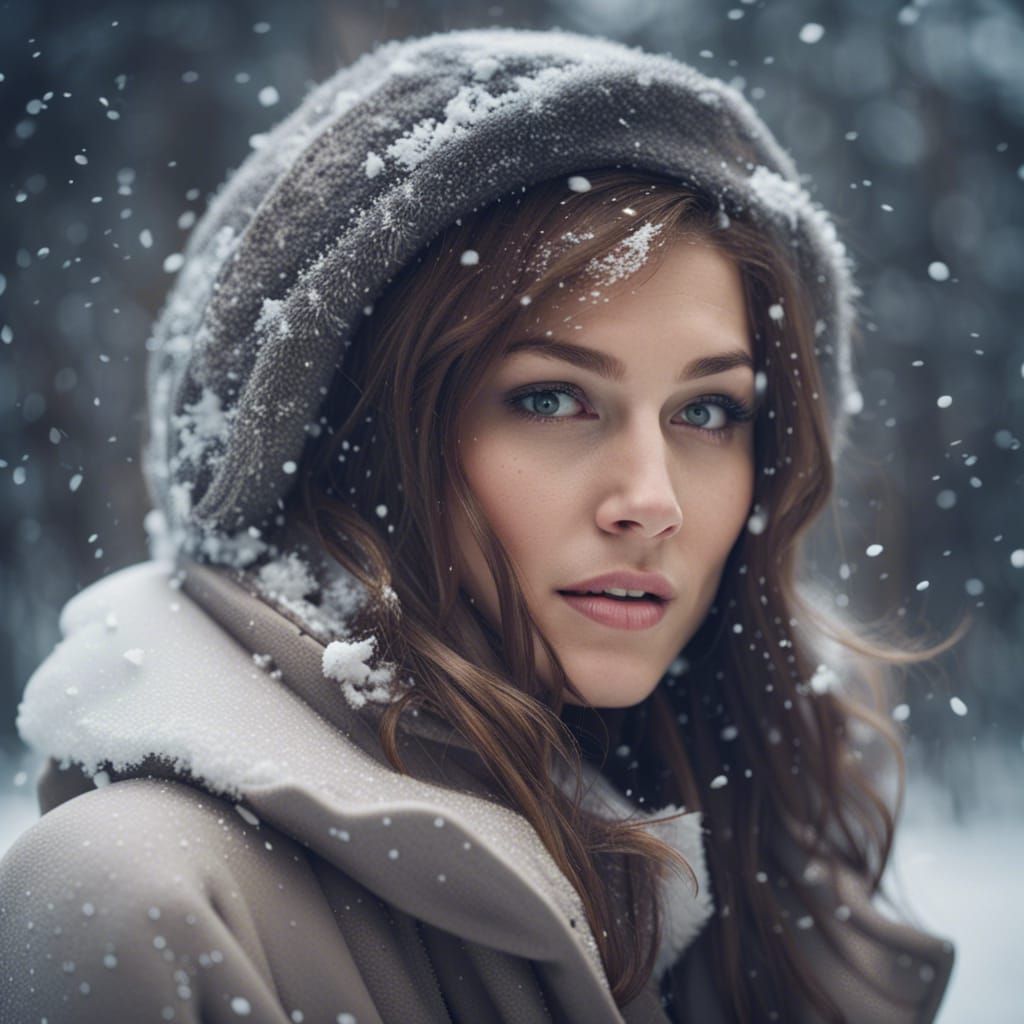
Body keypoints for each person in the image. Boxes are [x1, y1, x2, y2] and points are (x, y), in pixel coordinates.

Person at [0, 26, 962, 1024]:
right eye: (550, 399)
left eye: (707, 412)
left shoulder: (760, 884)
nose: (652, 498)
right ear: (349, 437)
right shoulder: (139, 898)